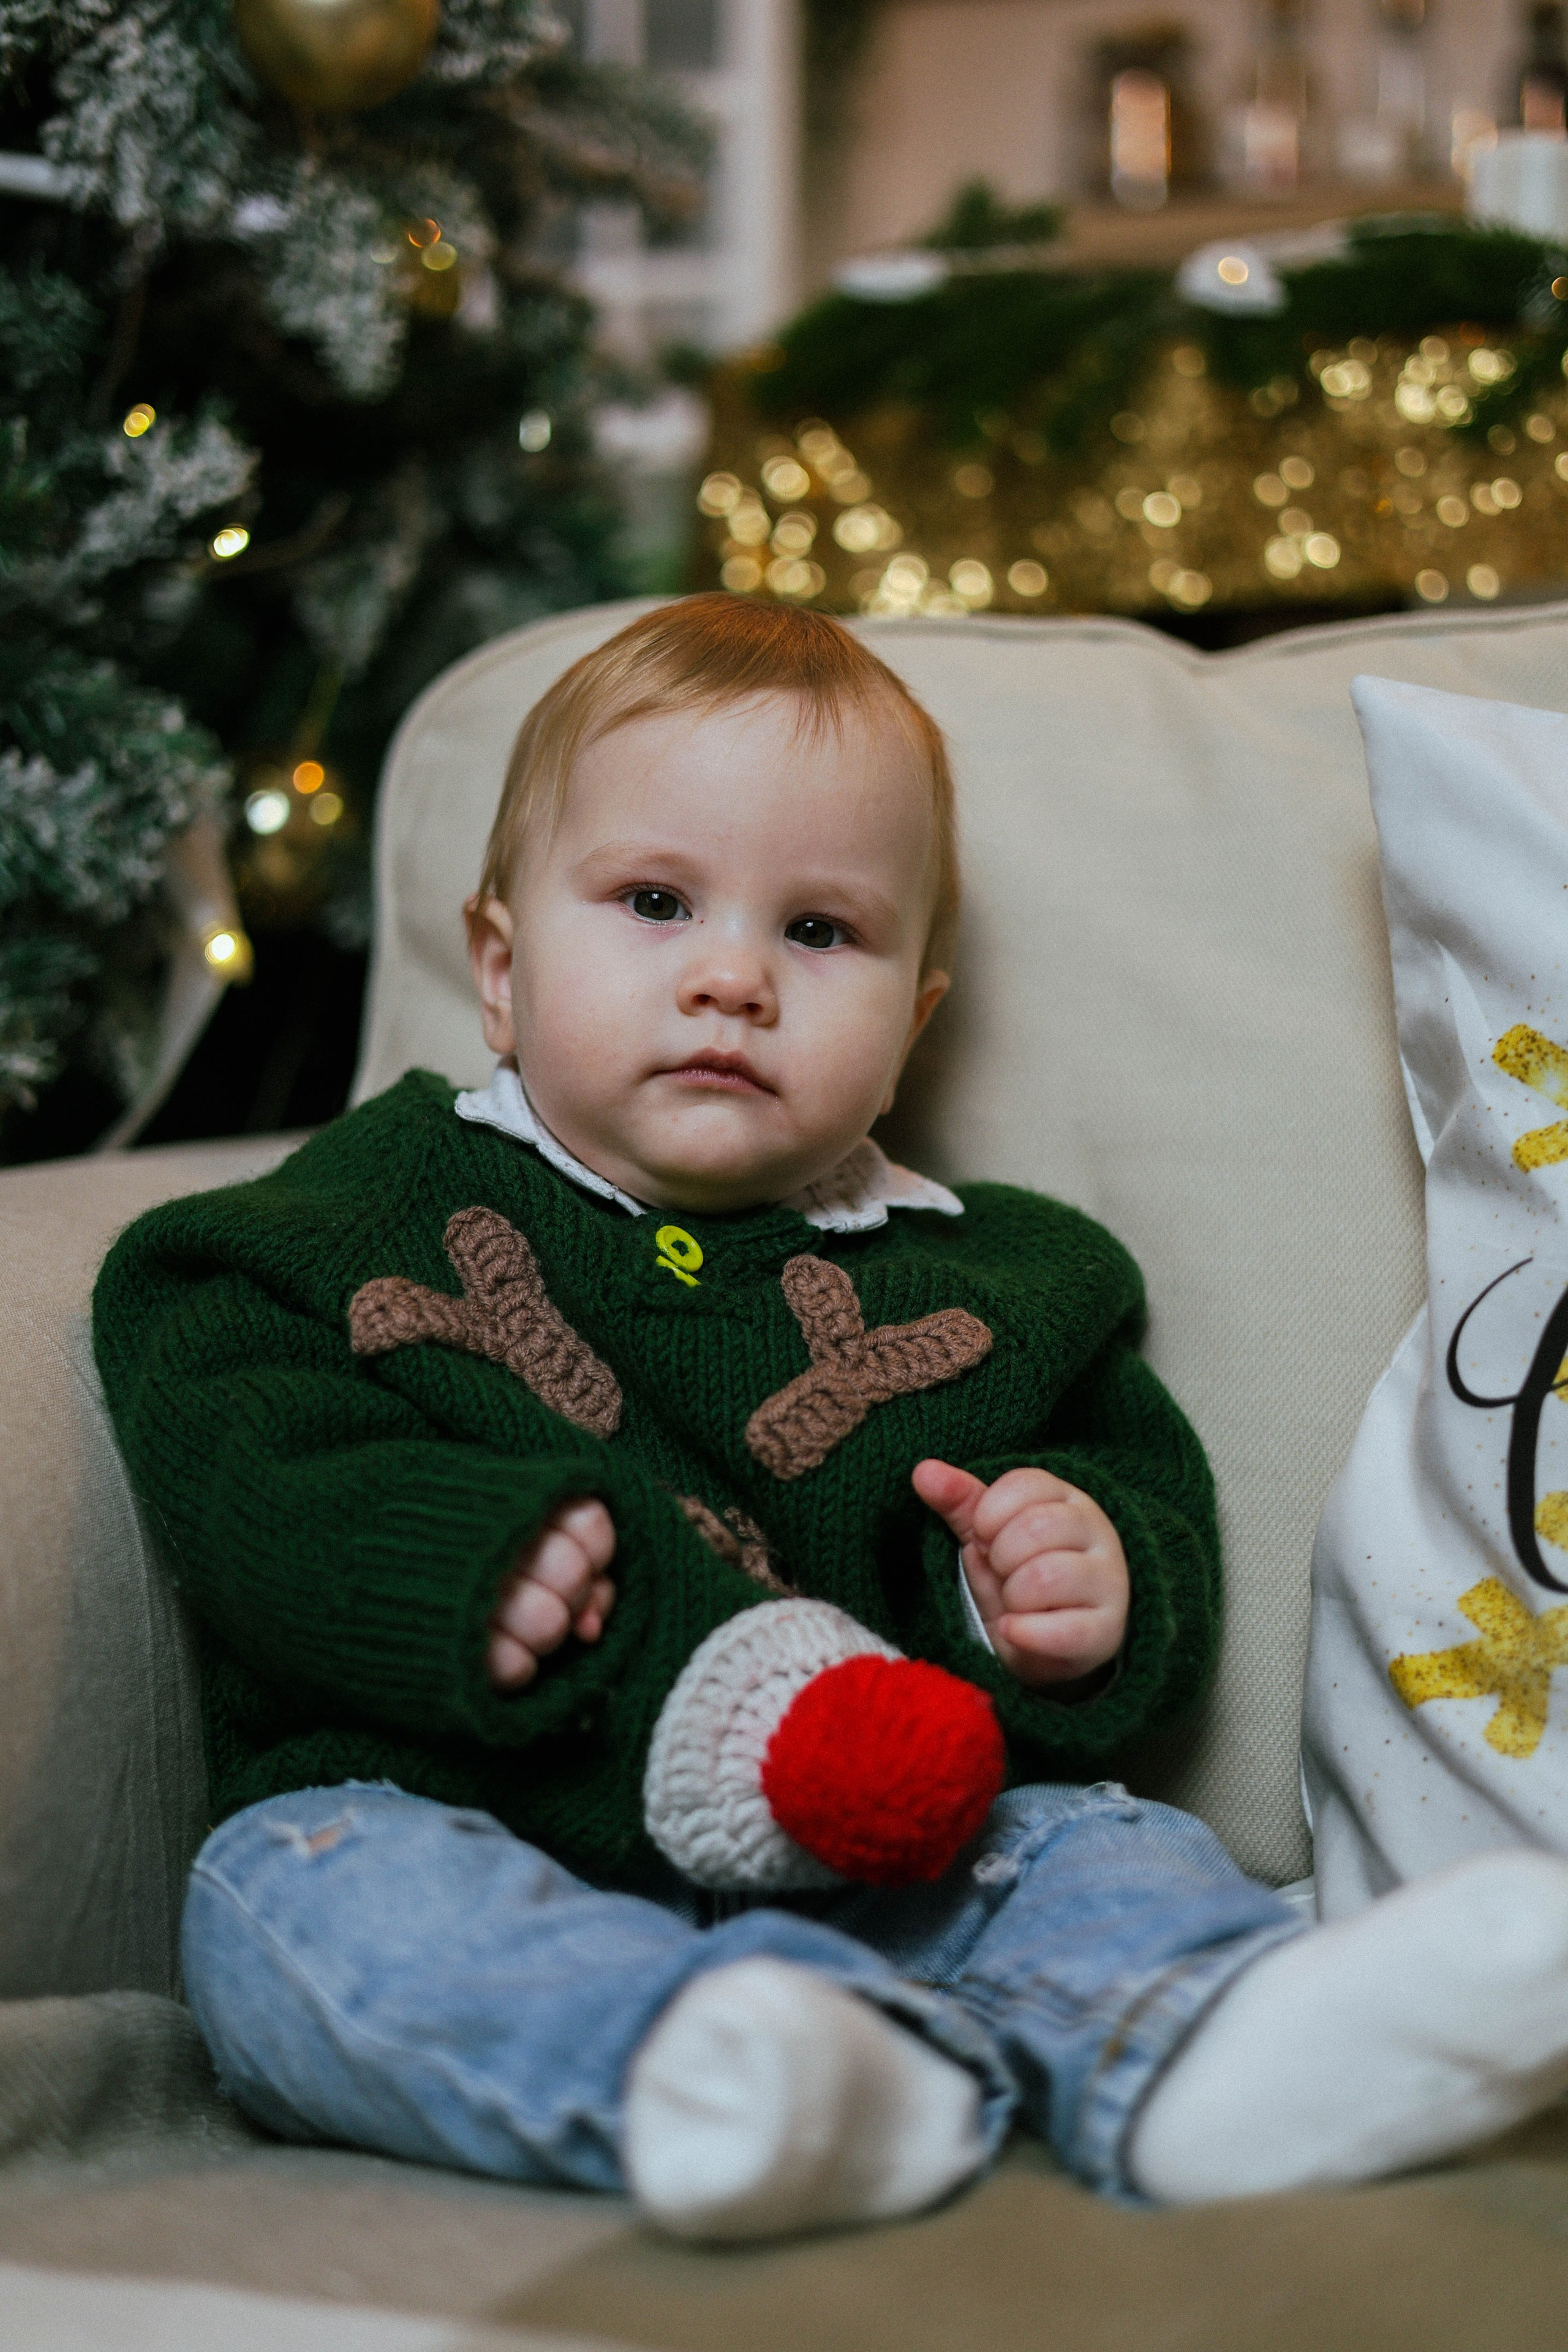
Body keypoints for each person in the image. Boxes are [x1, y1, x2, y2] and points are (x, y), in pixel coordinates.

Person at [94, 597, 1568, 2243]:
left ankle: (1203, 2053)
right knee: (286, 1903)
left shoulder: (1009, 1280)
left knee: (1093, 1847)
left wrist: (1071, 1594)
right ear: (500, 973)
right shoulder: (362, 1214)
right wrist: (442, 1563)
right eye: (655, 903)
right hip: (457, 1814)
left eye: (820, 933)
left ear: (913, 1017)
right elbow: (216, 1388)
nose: (731, 978)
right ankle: (709, 2072)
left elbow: (1115, 1494)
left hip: (888, 1856)